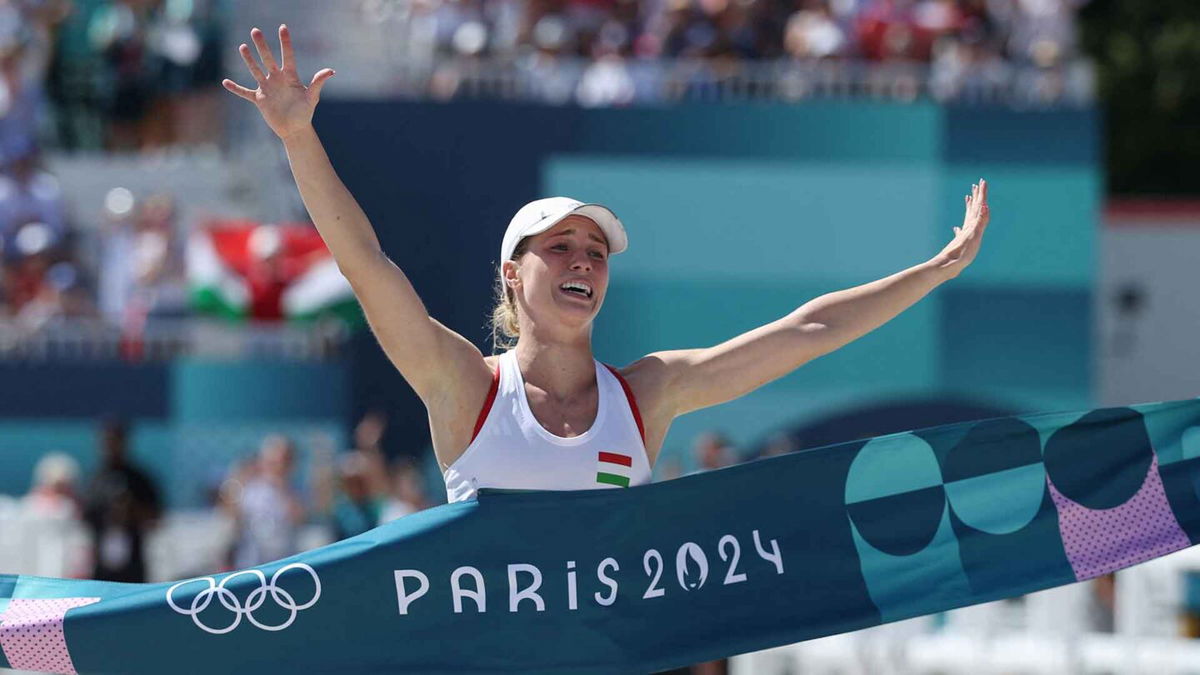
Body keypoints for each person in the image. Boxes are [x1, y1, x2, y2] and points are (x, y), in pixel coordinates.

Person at [222, 25, 990, 504]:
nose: (583, 259)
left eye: (595, 251)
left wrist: (934, 271)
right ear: (512, 276)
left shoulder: (648, 395)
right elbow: (364, 263)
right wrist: (298, 139)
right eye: (560, 246)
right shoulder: (463, 384)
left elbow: (810, 328)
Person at [82, 418, 162, 583]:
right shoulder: (96, 478)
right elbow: (85, 516)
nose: (112, 445)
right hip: (102, 562)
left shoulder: (140, 479)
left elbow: (156, 517)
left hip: (133, 561)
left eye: (116, 440)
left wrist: (131, 512)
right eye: (108, 441)